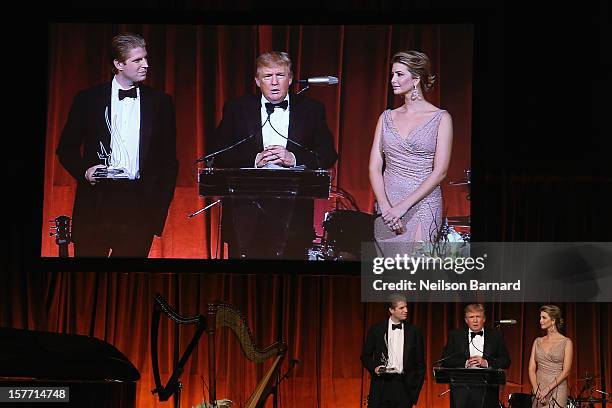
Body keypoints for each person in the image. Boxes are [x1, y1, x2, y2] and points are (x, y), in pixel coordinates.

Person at [56, 33, 178, 257]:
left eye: (146, 58)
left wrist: (156, 213)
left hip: (138, 208)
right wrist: (85, 171)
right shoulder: (88, 99)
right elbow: (66, 148)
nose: (146, 65)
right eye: (138, 60)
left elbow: (169, 163)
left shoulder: (161, 102)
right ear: (118, 64)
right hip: (95, 204)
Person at [209, 51, 338, 259]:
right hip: (245, 215)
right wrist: (253, 160)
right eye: (268, 77)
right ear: (257, 81)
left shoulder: (312, 109)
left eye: (280, 75)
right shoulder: (237, 108)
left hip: (294, 216)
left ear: (291, 78)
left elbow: (328, 154)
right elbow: (217, 153)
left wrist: (294, 158)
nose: (275, 82)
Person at [368, 50, 453, 255]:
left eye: (399, 74)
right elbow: (374, 166)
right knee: (389, 279)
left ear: (415, 79)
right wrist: (387, 209)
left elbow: (440, 171)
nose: (393, 80)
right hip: (388, 205)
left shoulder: (440, 118)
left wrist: (402, 208)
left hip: (422, 204)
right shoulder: (386, 117)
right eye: (392, 75)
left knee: (414, 276)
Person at [361, 293, 425, 408]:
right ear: (391, 310)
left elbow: (420, 365)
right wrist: (374, 368)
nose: (406, 310)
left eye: (406, 307)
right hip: (381, 386)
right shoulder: (377, 330)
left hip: (404, 387)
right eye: (401, 308)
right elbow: (365, 356)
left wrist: (414, 396)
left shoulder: (414, 332)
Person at [442, 303, 511, 408]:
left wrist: (486, 363)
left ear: (484, 319)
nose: (475, 320)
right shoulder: (455, 335)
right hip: (461, 392)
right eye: (471, 317)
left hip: (487, 392)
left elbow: (506, 361)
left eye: (478, 317)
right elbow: (445, 360)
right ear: (466, 320)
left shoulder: (496, 336)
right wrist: (464, 363)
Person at [528, 305, 572, 407]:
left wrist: (547, 390)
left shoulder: (566, 342)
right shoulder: (537, 341)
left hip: (557, 388)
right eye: (540, 317)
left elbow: (566, 371)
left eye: (544, 318)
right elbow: (531, 368)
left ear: (553, 321)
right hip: (539, 389)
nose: (540, 321)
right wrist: (536, 389)